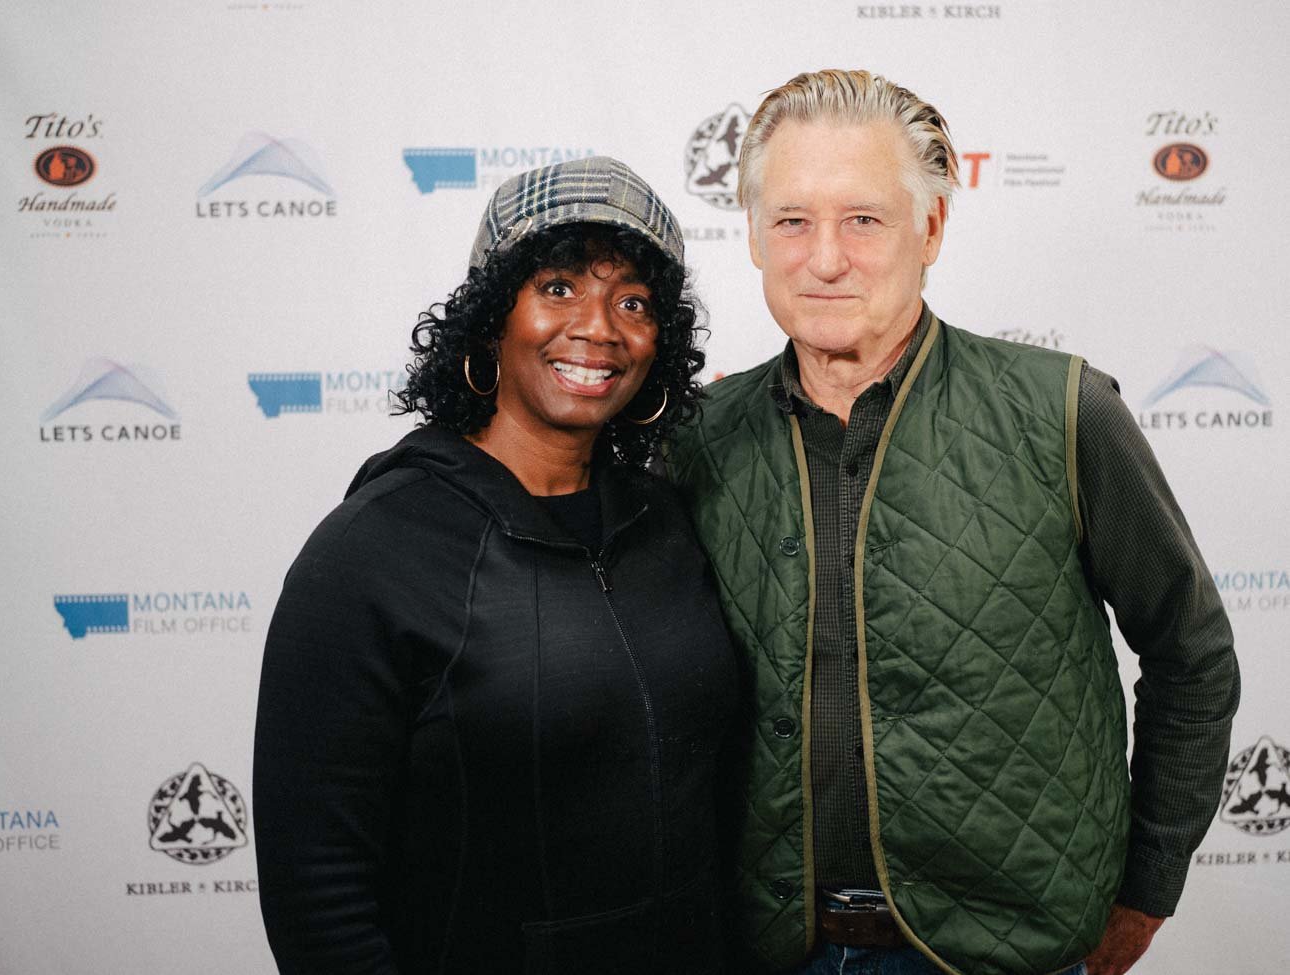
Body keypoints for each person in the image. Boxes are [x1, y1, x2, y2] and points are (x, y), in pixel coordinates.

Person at [665, 70, 1239, 975]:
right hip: (765, 948)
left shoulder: (1064, 412)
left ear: (930, 228)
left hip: (1002, 955)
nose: (825, 258)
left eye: (864, 219)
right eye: (792, 220)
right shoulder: (697, 439)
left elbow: (1191, 654)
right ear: (752, 235)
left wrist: (1146, 889)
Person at [253, 156, 737, 974]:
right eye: (558, 287)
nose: (598, 327)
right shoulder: (372, 551)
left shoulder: (667, 521)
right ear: (489, 319)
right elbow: (318, 899)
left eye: (633, 301)